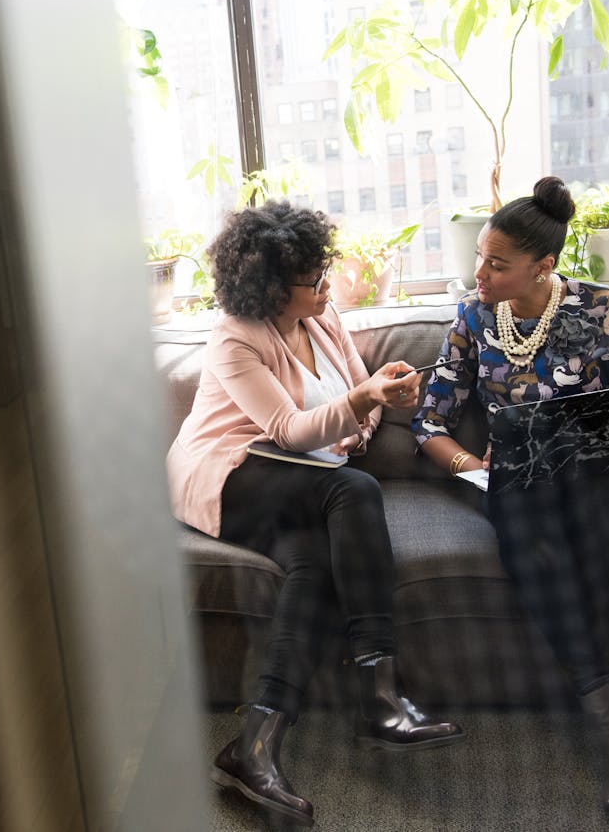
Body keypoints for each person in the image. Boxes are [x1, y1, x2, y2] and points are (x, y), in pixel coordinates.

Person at [167, 201, 463, 827]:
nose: (328, 285)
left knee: (317, 564)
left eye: (324, 271)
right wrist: (359, 407)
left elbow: (362, 397)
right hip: (229, 470)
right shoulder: (234, 337)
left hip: (299, 477)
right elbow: (287, 428)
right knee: (353, 492)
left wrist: (369, 411)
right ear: (273, 288)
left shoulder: (324, 318)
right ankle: (380, 696)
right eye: (313, 278)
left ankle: (254, 743)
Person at [411, 176, 609, 814]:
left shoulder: (601, 309)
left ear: (544, 266)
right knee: (529, 529)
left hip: (594, 478)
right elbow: (430, 424)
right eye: (480, 256)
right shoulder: (473, 317)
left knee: (599, 522)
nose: (478, 272)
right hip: (514, 485)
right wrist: (475, 465)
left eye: (497, 262)